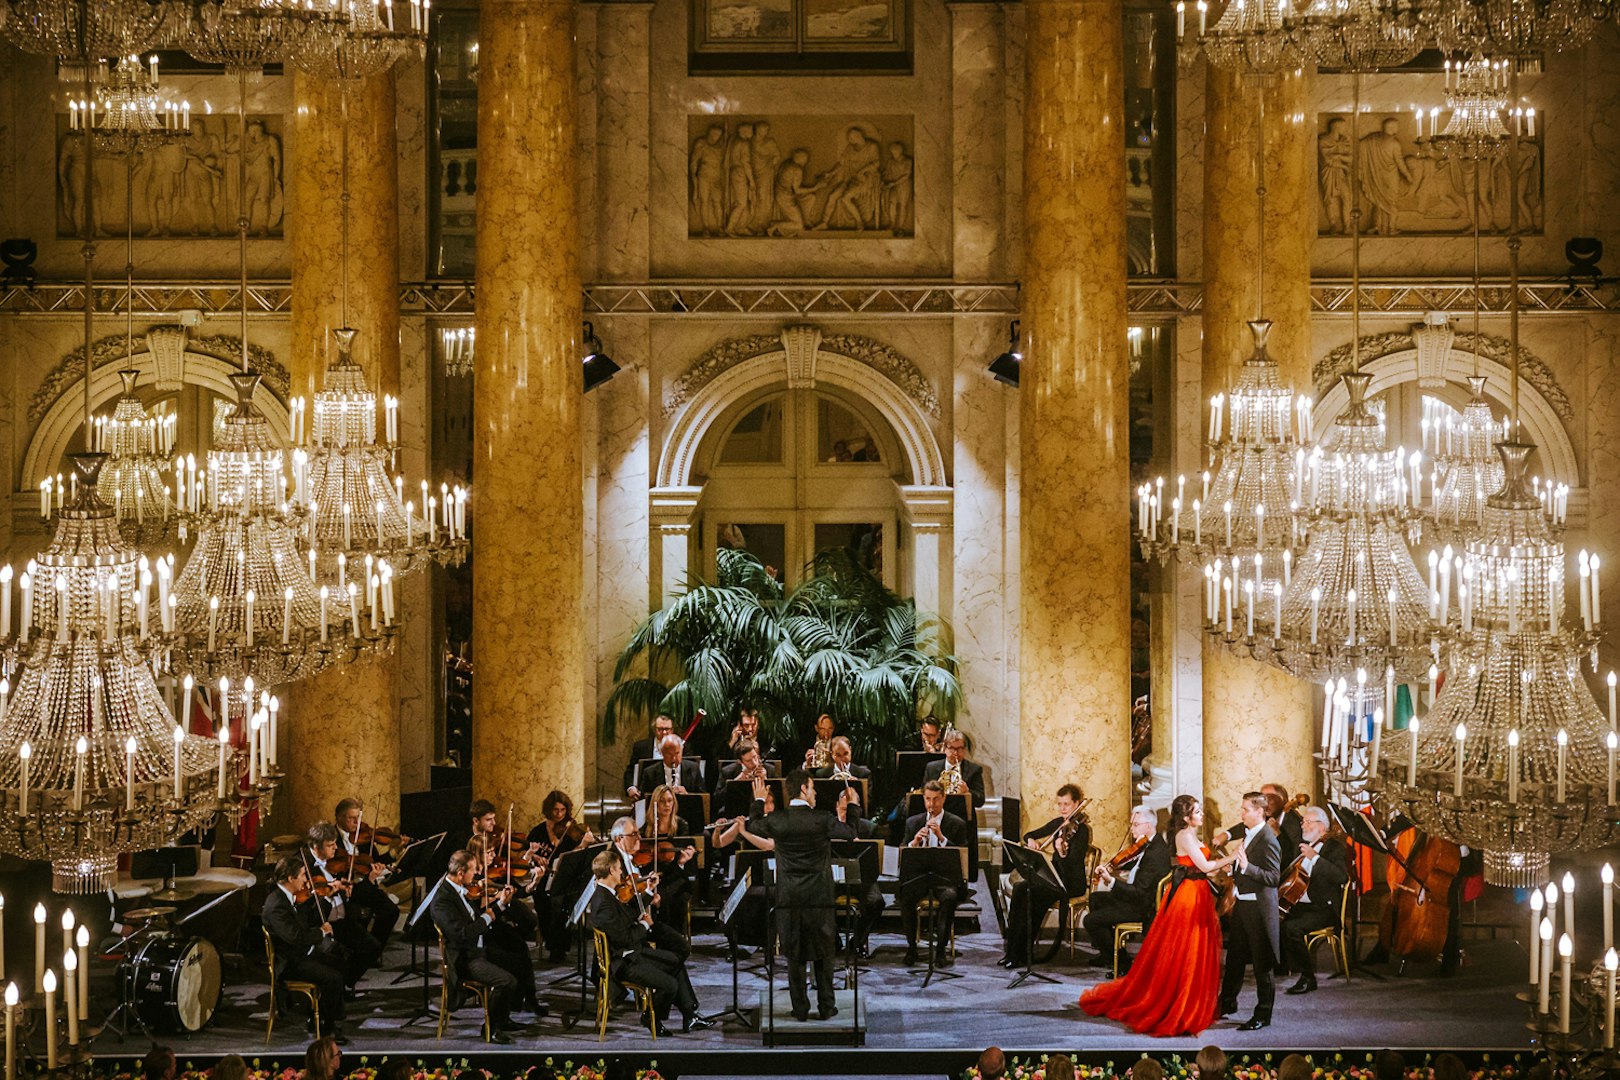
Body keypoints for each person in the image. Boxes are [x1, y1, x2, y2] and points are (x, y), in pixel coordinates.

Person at [1081, 794, 1237, 1036]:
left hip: (1197, 893)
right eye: (1197, 811)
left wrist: (1220, 863)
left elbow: (1200, 866)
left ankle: (1190, 1003)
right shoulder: (1184, 835)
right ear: (1186, 817)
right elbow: (1205, 868)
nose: (1201, 814)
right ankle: (1182, 1006)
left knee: (1195, 951)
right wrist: (1233, 857)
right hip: (1189, 897)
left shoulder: (1188, 834)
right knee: (1188, 950)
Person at [746, 769, 856, 1021]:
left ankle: (800, 1009)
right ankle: (827, 1006)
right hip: (819, 896)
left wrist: (759, 800)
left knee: (794, 954)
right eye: (813, 787)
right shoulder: (822, 819)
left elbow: (753, 825)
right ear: (804, 790)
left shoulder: (779, 820)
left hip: (789, 897)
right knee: (824, 953)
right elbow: (850, 832)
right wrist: (852, 805)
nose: (815, 792)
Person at [586, 849, 713, 1035]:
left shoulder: (607, 895)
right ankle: (651, 1017)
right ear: (612, 870)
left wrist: (646, 891)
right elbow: (627, 938)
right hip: (623, 962)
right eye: (619, 869)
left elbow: (628, 915)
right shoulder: (603, 903)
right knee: (670, 984)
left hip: (633, 953)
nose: (622, 873)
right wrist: (645, 924)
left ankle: (690, 1015)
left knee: (676, 962)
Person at [430, 849, 522, 1042]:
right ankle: (492, 1028)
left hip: (476, 950)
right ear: (461, 873)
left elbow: (475, 919)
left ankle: (503, 1018)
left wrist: (500, 905)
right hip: (464, 959)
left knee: (519, 960)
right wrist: (489, 914)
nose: (476, 875)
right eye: (472, 870)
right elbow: (462, 935)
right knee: (506, 981)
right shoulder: (442, 900)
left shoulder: (459, 891)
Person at [261, 857, 348, 1044]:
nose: (305, 881)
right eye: (302, 876)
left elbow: (303, 921)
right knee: (334, 978)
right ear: (291, 878)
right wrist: (321, 932)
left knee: (340, 963)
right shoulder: (276, 905)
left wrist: (326, 896)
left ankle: (321, 1016)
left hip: (300, 954)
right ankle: (328, 1027)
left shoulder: (285, 897)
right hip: (290, 963)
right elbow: (295, 937)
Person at [1002, 785, 1089, 970]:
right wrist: (1032, 841)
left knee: (1034, 896)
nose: (1063, 808)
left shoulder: (1082, 831)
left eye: (1067, 804)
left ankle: (1021, 954)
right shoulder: (1059, 823)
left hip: (1071, 882)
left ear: (1077, 804)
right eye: (1060, 804)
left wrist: (1061, 850)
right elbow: (1030, 834)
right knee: (1020, 889)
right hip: (1055, 877)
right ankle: (1012, 950)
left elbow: (1074, 861)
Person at [1217, 792, 1283, 1030]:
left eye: (1245, 809)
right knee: (1234, 958)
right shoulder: (1250, 833)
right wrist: (1234, 870)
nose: (1241, 813)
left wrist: (1247, 867)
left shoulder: (1268, 839)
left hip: (1258, 909)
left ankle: (1262, 1015)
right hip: (1243, 905)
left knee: (1261, 964)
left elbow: (1274, 878)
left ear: (1259, 812)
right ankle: (1226, 1004)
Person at [463, 836, 546, 1018]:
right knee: (517, 950)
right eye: (489, 852)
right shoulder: (470, 881)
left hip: (497, 925)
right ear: (476, 854)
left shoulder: (495, 873)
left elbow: (520, 892)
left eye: (494, 851)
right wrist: (495, 900)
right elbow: (475, 913)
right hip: (483, 932)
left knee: (520, 945)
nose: (493, 855)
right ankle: (519, 1001)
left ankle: (527, 998)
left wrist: (535, 882)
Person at [1085, 806, 1174, 971]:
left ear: (1148, 825)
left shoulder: (1155, 853)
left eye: (1135, 824)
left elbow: (1139, 892)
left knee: (1090, 920)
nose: (1131, 828)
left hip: (1142, 906)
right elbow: (1139, 863)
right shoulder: (1151, 843)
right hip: (1138, 898)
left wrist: (1111, 881)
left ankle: (1122, 963)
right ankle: (1109, 954)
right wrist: (1115, 866)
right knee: (1095, 898)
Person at [1281, 805, 1350, 995]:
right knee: (1273, 919)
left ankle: (1308, 978)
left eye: (1308, 822)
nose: (1303, 825)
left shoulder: (1333, 847)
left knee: (1291, 928)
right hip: (1304, 906)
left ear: (1322, 827)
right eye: (1303, 822)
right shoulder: (1305, 848)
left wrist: (1316, 858)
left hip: (1324, 908)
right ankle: (1280, 968)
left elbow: (1341, 877)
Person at [898, 780, 968, 967]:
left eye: (936, 800)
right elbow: (902, 852)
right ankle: (912, 948)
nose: (931, 805)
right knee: (906, 896)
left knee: (949, 898)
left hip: (944, 879)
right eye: (928, 799)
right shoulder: (913, 822)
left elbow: (963, 856)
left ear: (943, 799)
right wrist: (914, 843)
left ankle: (940, 952)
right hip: (920, 877)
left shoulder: (956, 823)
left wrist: (941, 838)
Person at [302, 822, 385, 980]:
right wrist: (328, 893)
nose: (335, 848)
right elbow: (305, 906)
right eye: (330, 845)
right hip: (322, 923)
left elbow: (354, 892)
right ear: (315, 846)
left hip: (342, 919)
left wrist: (368, 880)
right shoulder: (304, 867)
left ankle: (347, 980)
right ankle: (339, 984)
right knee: (336, 953)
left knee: (373, 947)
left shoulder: (336, 863)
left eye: (335, 843)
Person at [609, 816, 690, 954]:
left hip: (643, 921)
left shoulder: (631, 858)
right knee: (679, 948)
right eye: (633, 834)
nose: (639, 838)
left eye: (638, 833)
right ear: (619, 839)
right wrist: (648, 896)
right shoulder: (613, 864)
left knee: (681, 946)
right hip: (631, 929)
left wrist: (650, 894)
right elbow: (624, 905)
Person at [334, 797, 403, 948]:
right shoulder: (332, 840)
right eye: (351, 818)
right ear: (339, 817)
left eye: (358, 818)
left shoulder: (364, 838)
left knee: (391, 911)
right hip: (348, 889)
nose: (356, 823)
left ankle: (374, 947)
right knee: (355, 914)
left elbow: (375, 861)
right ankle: (360, 949)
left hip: (366, 885)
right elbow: (334, 869)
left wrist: (392, 854)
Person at [924, 728, 985, 808]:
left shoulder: (974, 769)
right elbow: (924, 794)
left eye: (960, 748)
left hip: (963, 816)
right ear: (945, 748)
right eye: (952, 748)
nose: (956, 753)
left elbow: (980, 801)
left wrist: (967, 791)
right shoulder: (931, 768)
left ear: (965, 749)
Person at [626, 715, 677, 800]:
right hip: (647, 795)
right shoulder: (641, 747)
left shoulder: (682, 747)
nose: (664, 732)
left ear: (672, 730)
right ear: (654, 729)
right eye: (660, 729)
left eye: (667, 729)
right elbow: (630, 771)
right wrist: (631, 788)